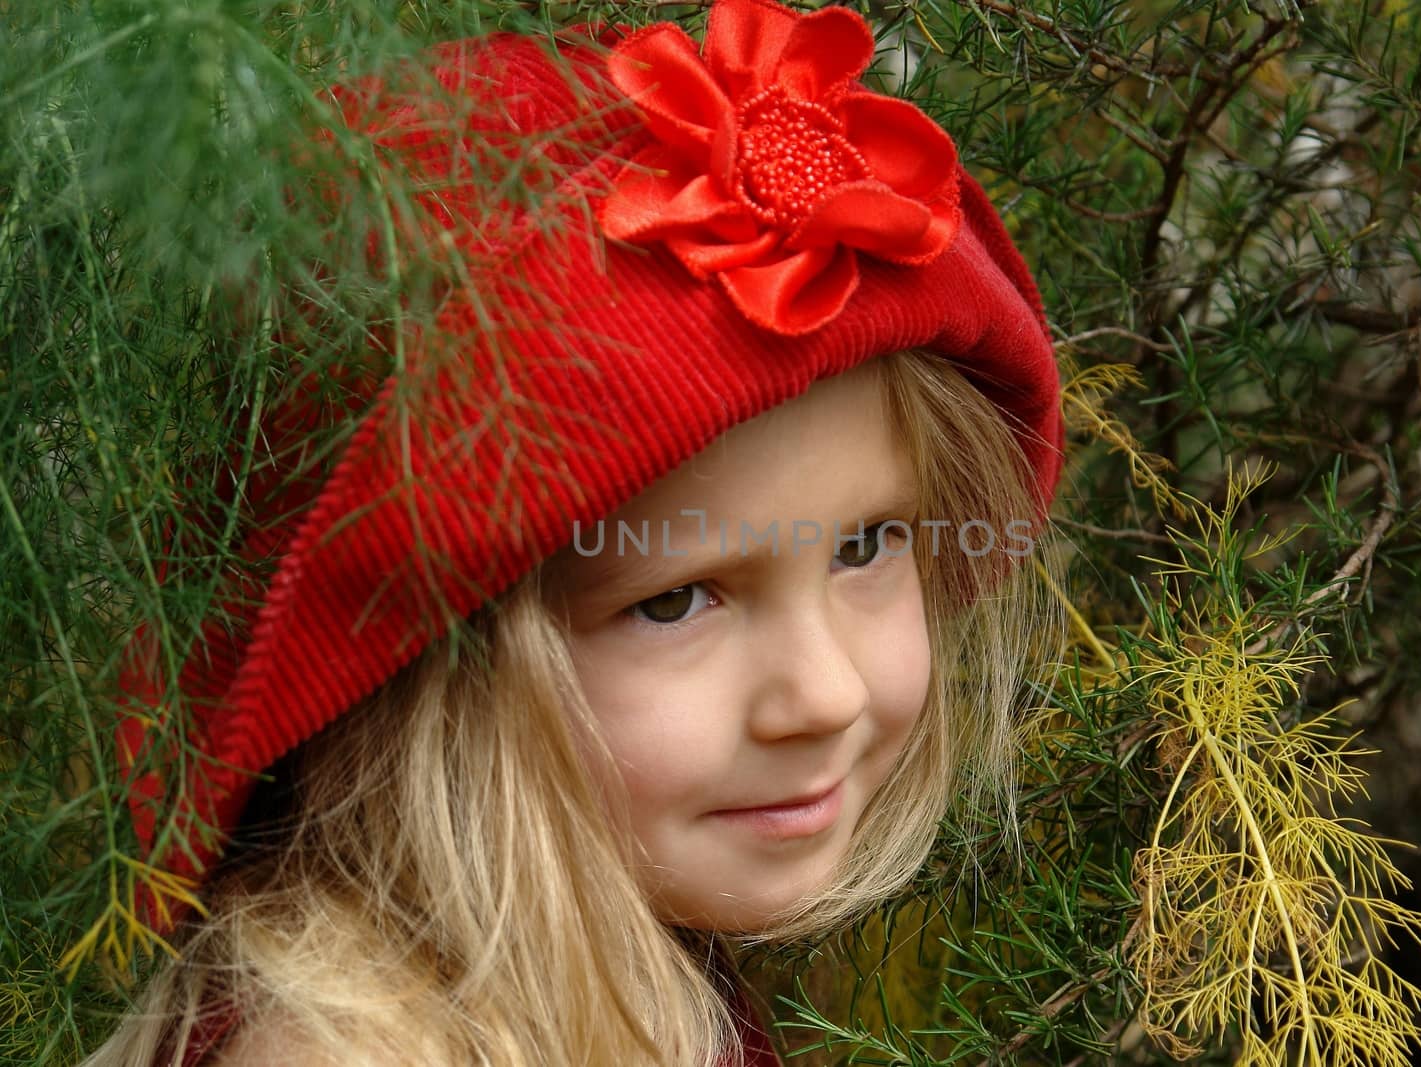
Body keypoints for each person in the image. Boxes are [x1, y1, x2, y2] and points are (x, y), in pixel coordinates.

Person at [83, 0, 1064, 1063]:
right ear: (411, 672)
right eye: (674, 598)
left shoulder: (614, 979)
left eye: (866, 545)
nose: (823, 693)